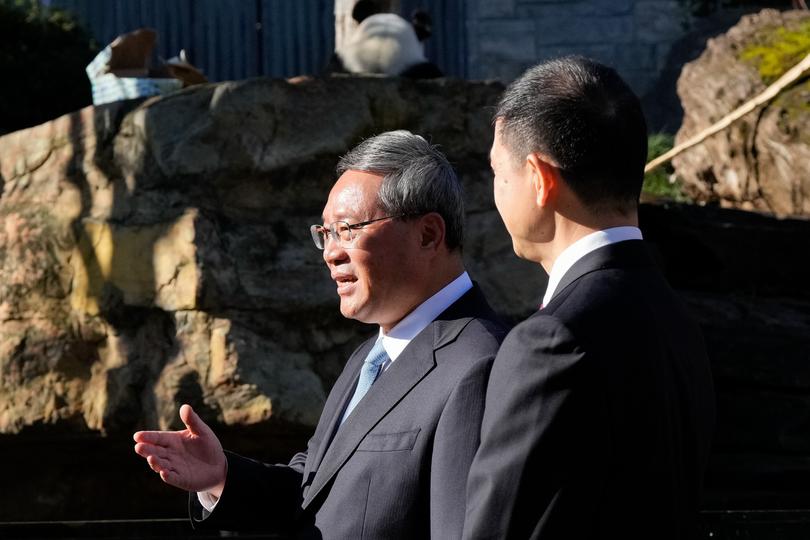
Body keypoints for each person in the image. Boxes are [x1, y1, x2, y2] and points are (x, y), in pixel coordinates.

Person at [133, 130, 507, 539]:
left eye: (349, 229)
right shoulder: (370, 356)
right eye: (325, 233)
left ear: (429, 235)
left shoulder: (480, 364)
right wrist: (221, 476)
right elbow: (315, 487)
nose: (331, 252)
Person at [462, 56, 716, 539]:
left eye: (498, 172)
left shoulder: (552, 341)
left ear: (538, 180)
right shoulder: (676, 315)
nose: (495, 192)